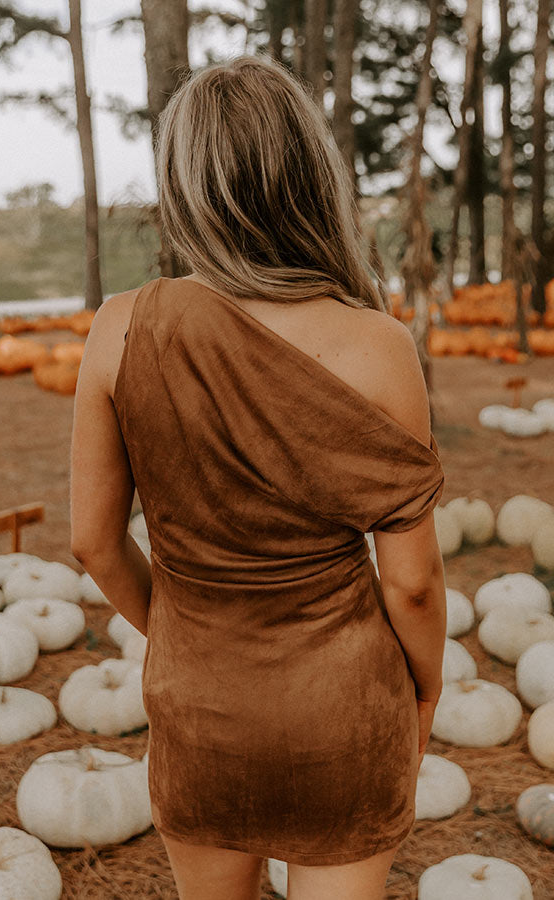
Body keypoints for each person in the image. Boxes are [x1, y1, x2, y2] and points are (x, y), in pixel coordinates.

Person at [70, 54, 446, 900]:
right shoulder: (378, 345)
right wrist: (423, 697)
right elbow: (414, 585)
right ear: (311, 177)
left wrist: (185, 632)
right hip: (344, 711)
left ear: (184, 185)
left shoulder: (119, 330)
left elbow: (92, 542)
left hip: (200, 710)